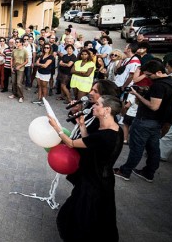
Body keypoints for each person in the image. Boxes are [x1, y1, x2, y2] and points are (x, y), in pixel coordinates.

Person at [49, 95, 122, 241]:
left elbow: (70, 143)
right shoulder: (115, 129)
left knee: (83, 218)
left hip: (94, 183)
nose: (94, 106)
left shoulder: (106, 135)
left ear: (107, 110)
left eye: (98, 105)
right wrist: (82, 124)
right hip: (101, 179)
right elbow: (89, 142)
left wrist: (57, 128)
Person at [115, 60, 172, 182]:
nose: (148, 77)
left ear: (159, 72)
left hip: (145, 121)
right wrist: (144, 91)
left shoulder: (158, 85)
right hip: (157, 122)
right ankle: (148, 173)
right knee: (153, 148)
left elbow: (154, 106)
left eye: (149, 75)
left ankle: (125, 171)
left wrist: (137, 94)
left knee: (137, 148)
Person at [10, 38, 27, 103]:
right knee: (13, 82)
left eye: (17, 42)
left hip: (21, 68)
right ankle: (14, 94)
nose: (16, 43)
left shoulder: (24, 51)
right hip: (14, 67)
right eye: (16, 42)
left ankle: (21, 96)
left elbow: (26, 61)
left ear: (21, 43)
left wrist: (20, 66)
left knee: (19, 83)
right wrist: (11, 67)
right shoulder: (14, 50)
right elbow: (12, 59)